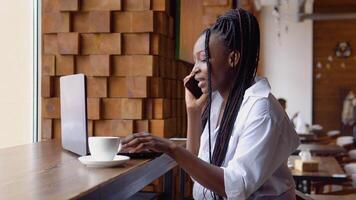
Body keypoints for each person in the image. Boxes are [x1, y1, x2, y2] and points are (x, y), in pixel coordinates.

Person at [122, 8, 300, 200]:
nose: (194, 71)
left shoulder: (262, 110)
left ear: (233, 58)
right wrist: (193, 112)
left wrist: (172, 148)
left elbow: (235, 187)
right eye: (194, 62)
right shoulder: (217, 102)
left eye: (203, 60)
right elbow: (197, 172)